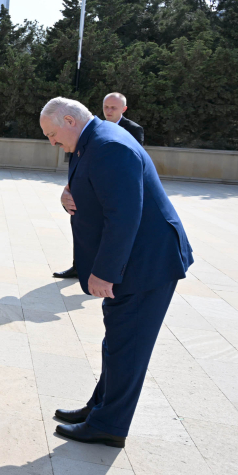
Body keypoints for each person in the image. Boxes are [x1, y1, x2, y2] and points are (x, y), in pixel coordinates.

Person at [39, 97, 192, 448]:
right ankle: (100, 408)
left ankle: (109, 426)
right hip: (136, 261)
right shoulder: (94, 138)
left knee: (129, 346)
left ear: (69, 120)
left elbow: (125, 216)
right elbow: (92, 187)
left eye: (52, 134)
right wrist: (68, 195)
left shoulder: (108, 145)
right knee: (119, 340)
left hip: (146, 264)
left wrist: (104, 273)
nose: (52, 142)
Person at [54, 92, 144, 279]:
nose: (109, 111)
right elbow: (77, 162)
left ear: (124, 109)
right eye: (106, 107)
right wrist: (68, 190)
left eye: (114, 108)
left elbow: (130, 166)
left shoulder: (133, 130)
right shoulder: (89, 131)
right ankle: (78, 266)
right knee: (79, 226)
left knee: (108, 231)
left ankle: (106, 272)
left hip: (110, 193)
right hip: (87, 192)